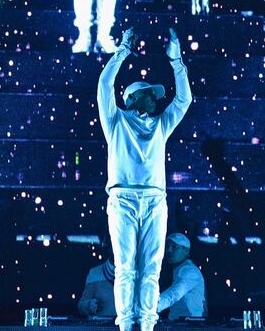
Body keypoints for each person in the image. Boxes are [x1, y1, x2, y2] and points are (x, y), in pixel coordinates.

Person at [98, 27, 192, 331]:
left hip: (155, 200)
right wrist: (123, 50)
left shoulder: (161, 125)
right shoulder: (115, 121)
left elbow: (184, 100)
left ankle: (147, 324)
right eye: (148, 93)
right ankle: (127, 326)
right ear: (132, 97)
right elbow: (104, 84)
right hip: (123, 200)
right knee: (127, 267)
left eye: (154, 94)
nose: (154, 97)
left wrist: (176, 61)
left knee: (151, 268)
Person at [157, 233, 207, 320]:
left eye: (174, 247)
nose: (169, 250)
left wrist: (149, 308)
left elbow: (174, 294)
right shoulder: (179, 269)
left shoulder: (190, 271)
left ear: (186, 251)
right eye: (167, 246)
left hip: (191, 325)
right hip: (180, 323)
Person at [77, 245, 117, 318]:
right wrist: (89, 305)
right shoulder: (94, 273)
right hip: (102, 327)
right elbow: (81, 305)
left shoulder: (136, 273)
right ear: (108, 249)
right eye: (115, 246)